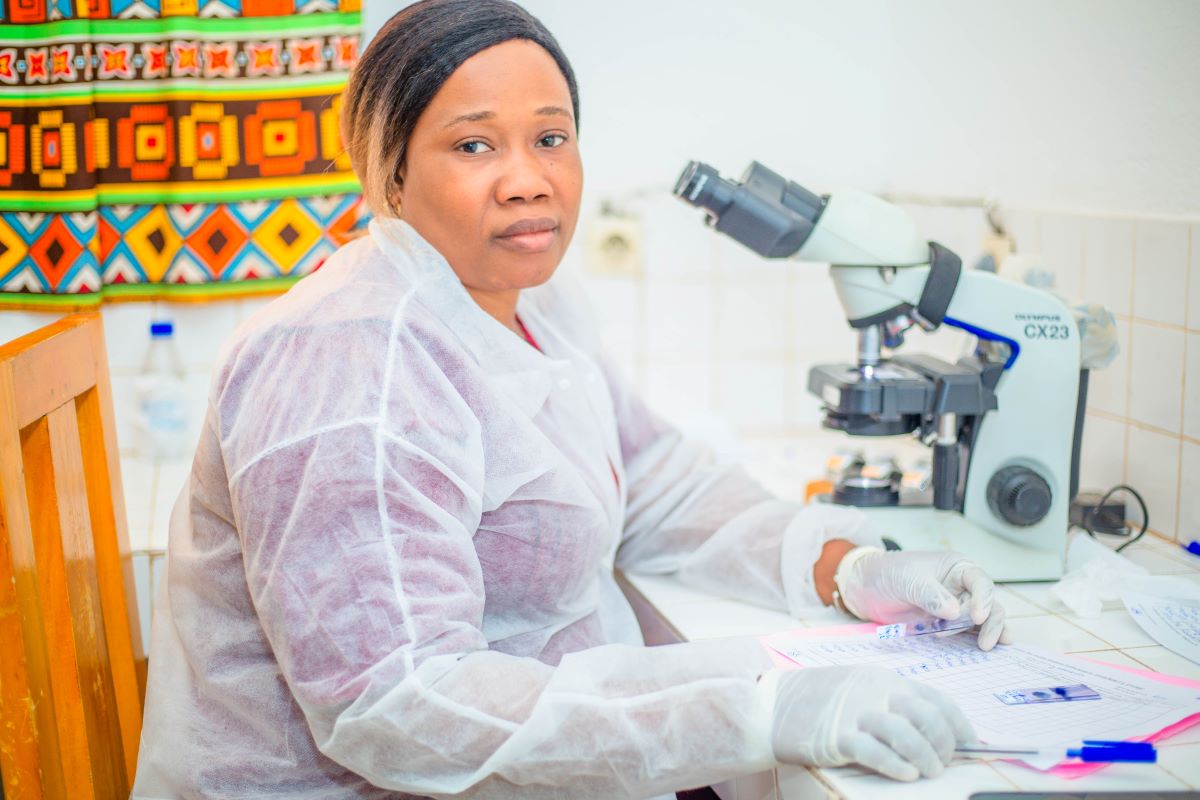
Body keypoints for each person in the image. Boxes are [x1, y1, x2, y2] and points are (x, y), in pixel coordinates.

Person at [133, 2, 1012, 798]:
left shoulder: (529, 304)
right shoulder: (349, 362)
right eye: (474, 145)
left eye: (551, 138)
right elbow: (399, 701)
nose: (527, 180)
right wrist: (756, 708)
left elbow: (654, 478)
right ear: (389, 177)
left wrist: (845, 566)